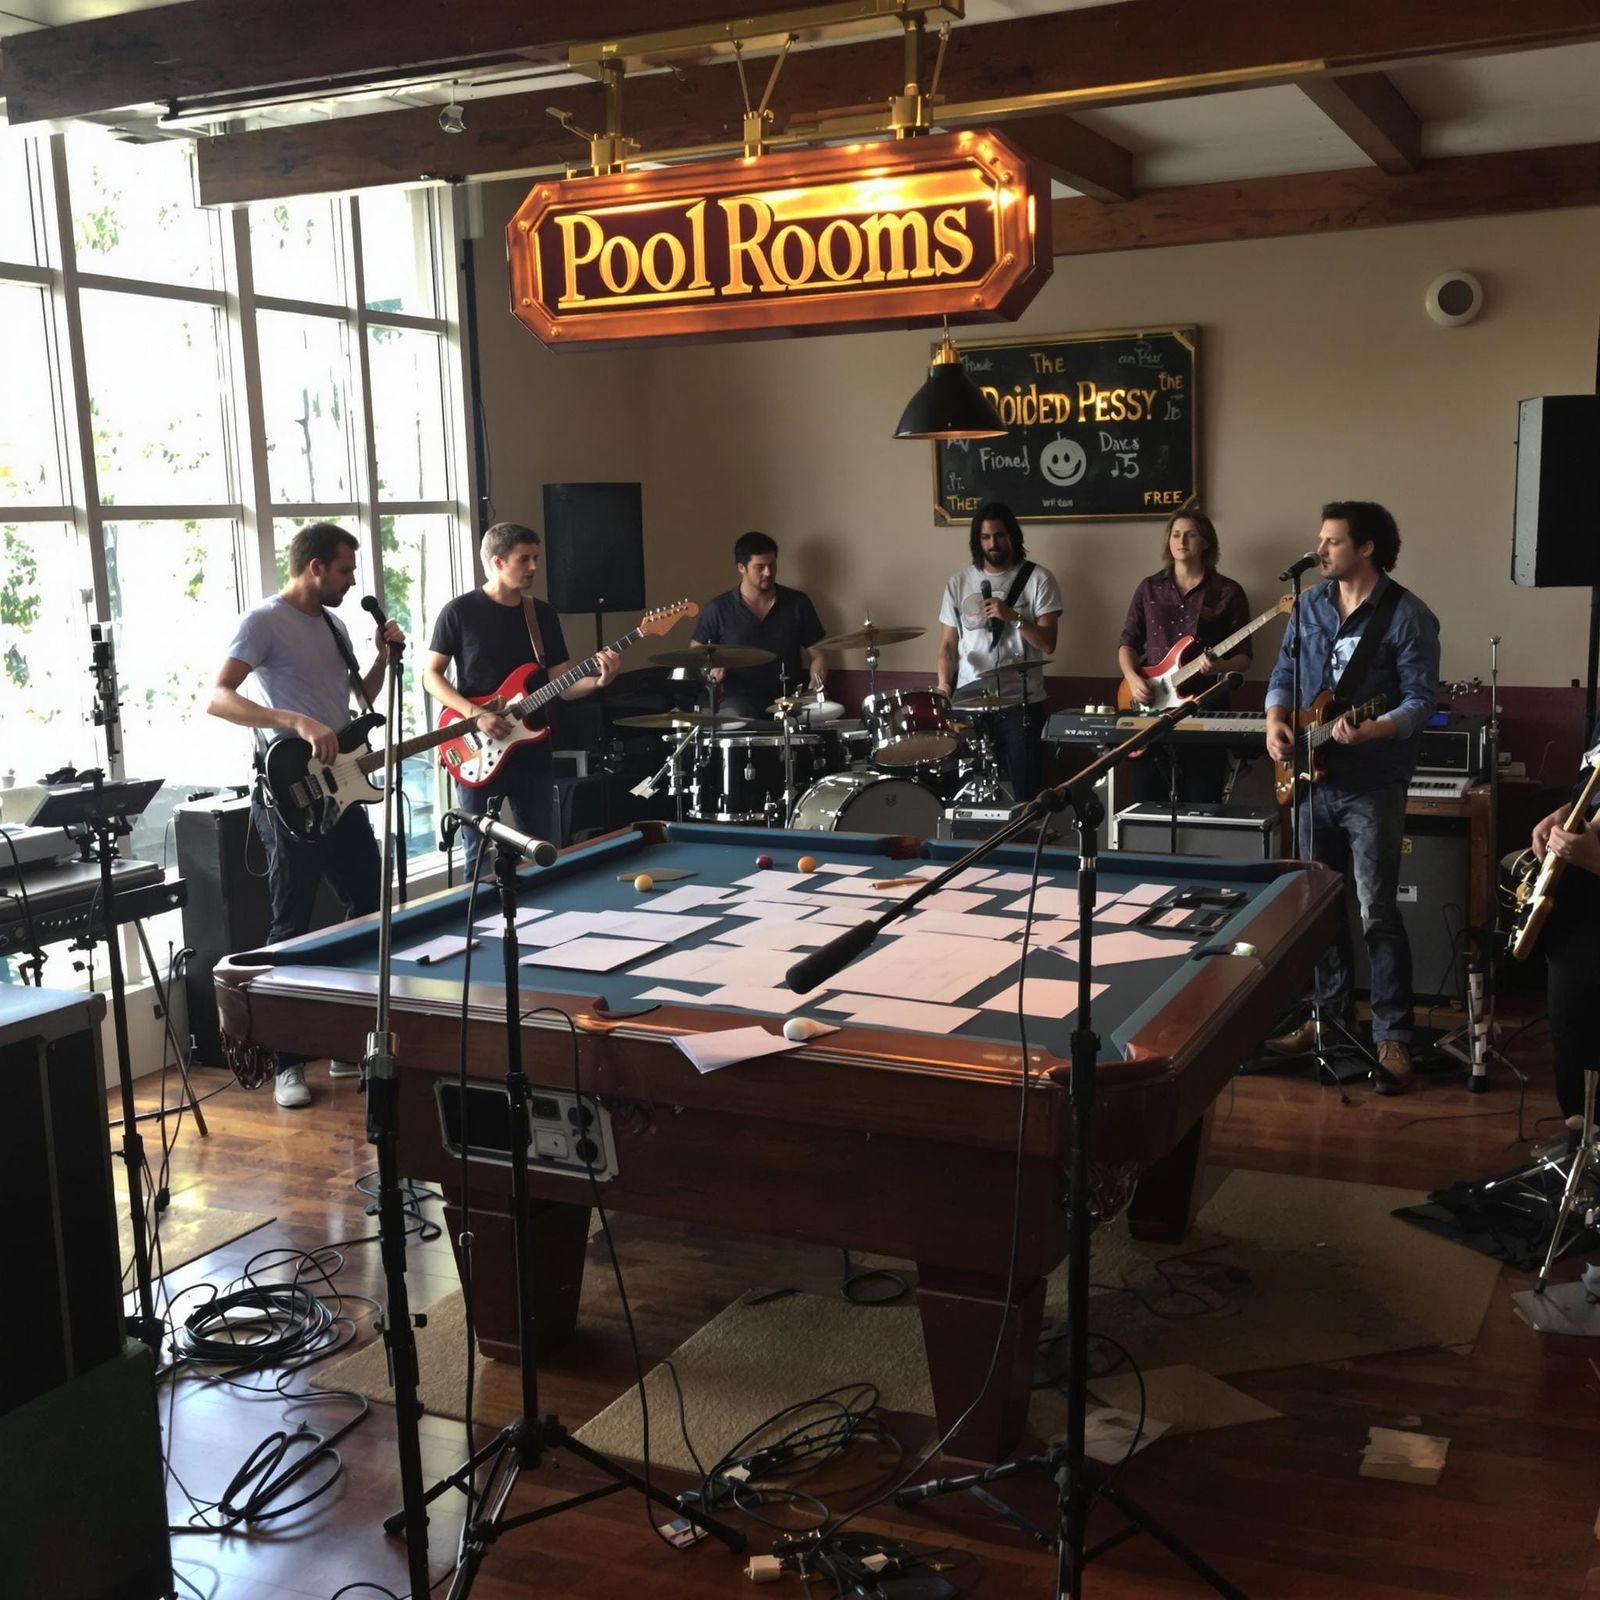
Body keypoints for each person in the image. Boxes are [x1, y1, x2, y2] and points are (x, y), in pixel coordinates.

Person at [207, 522, 405, 1109]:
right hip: (290, 792)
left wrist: (382, 659)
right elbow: (218, 696)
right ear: (315, 567)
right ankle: (287, 1062)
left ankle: (342, 1040)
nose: (350, 581)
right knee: (290, 922)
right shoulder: (264, 621)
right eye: (344, 570)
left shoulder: (335, 625)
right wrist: (292, 720)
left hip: (342, 788)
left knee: (368, 909)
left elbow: (359, 703)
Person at [1263, 500, 1440, 1094]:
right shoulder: (1309, 605)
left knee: (1376, 911)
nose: (1319, 551)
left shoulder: (1408, 615)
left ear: (1366, 548)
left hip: (1371, 784)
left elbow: (1420, 701)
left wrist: (1373, 729)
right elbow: (1282, 675)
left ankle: (1393, 1035)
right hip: (1311, 780)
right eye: (1320, 540)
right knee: (1318, 910)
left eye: (1332, 541)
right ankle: (1330, 1020)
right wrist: (1275, 722)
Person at [422, 521, 618, 876]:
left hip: (532, 750)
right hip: (476, 748)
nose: (533, 567)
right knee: (478, 858)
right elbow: (430, 676)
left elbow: (561, 684)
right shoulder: (459, 612)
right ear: (498, 562)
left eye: (535, 558)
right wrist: (476, 714)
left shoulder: (541, 614)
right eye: (524, 559)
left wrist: (599, 682)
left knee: (541, 851)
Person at [1117, 510, 1253, 805]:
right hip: (1151, 710)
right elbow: (1127, 642)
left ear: (1206, 542)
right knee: (1145, 806)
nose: (1182, 541)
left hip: (1205, 711)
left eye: (1191, 534)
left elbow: (1244, 657)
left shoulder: (1228, 592)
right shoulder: (1149, 587)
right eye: (1176, 534)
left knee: (1201, 804)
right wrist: (1132, 677)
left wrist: (1220, 667)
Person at [936, 501, 1061, 802]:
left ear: (1012, 536)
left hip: (1021, 704)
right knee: (967, 794)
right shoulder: (958, 582)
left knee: (1025, 794)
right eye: (985, 537)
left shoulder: (1039, 579)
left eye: (999, 535)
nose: (993, 544)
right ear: (977, 541)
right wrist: (943, 686)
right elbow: (948, 645)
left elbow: (1048, 643)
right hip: (969, 703)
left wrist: (1013, 617)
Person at [1528, 720, 1600, 1138]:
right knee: (1570, 1023)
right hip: (1579, 907)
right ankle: (1582, 1136)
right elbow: (1591, 784)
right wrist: (1565, 814)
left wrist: (1595, 860)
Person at [692, 531, 827, 717]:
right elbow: (695, 655)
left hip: (788, 699)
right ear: (741, 567)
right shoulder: (718, 609)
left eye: (772, 565)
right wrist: (710, 672)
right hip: (738, 700)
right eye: (760, 567)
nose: (768, 572)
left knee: (826, 716)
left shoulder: (798, 603)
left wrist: (815, 689)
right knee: (737, 716)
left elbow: (819, 655)